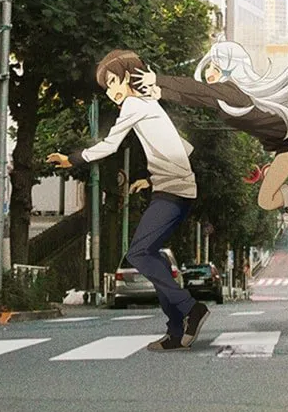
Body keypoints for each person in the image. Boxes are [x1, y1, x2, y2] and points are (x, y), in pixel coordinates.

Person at [133, 39, 288, 271]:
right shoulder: (222, 98)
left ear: (229, 69)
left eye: (215, 67)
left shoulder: (234, 92)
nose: (209, 73)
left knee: (266, 200)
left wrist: (159, 79)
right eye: (209, 67)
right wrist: (160, 92)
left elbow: (199, 89)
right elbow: (196, 97)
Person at [46, 50, 208, 352]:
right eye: (106, 87)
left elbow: (110, 145)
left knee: (139, 253)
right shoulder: (150, 104)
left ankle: (191, 308)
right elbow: (184, 148)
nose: (111, 92)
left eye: (112, 82)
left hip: (173, 190)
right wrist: (152, 179)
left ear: (129, 77)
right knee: (152, 256)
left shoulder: (134, 104)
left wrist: (72, 159)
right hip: (173, 188)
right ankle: (175, 330)